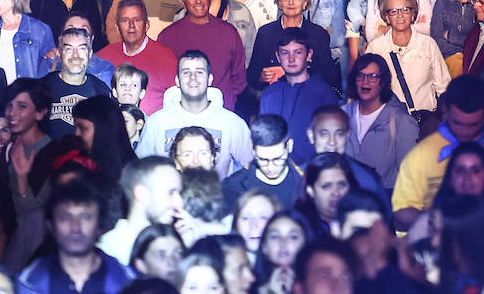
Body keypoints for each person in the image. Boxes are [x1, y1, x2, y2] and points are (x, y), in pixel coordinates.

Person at [391, 76, 484, 230]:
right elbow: (401, 212)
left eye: (473, 125)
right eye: (457, 123)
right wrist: (442, 222)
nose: (465, 132)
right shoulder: (422, 155)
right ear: (445, 110)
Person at [134, 50, 252, 177]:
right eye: (186, 73)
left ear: (210, 79)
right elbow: (141, 170)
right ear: (177, 81)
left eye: (199, 72)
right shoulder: (156, 122)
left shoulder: (232, 123)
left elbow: (251, 168)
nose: (193, 78)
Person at [157, 0, 246, 109]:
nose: (198, 1)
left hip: (220, 110)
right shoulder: (168, 36)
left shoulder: (228, 32)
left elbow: (239, 78)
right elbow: (162, 78)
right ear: (183, 0)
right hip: (182, 112)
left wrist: (227, 99)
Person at [365, 0, 450, 118]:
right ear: (386, 17)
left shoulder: (428, 44)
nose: (400, 15)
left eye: (405, 9)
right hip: (388, 121)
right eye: (393, 11)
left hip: (424, 121)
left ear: (413, 14)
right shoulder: (376, 47)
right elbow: (368, 89)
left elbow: (443, 87)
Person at [341, 54, 421, 192]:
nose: (365, 82)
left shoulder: (401, 121)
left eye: (372, 76)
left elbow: (411, 176)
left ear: (383, 82)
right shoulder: (342, 115)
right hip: (349, 199)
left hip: (385, 200)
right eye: (360, 76)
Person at [258, 28, 338, 165]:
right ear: (278, 56)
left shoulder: (324, 95)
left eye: (298, 52)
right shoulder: (269, 95)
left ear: (309, 55)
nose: (291, 59)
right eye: (285, 53)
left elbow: (331, 145)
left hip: (312, 173)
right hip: (276, 170)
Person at [97, 0, 179, 116]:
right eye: (125, 20)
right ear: (117, 27)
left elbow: (177, 104)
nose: (131, 26)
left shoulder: (167, 58)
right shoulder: (102, 58)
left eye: (137, 20)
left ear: (147, 25)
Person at [42, 28, 111, 138]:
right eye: (69, 49)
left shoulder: (102, 91)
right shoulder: (41, 89)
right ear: (59, 53)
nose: (76, 55)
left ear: (90, 53)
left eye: (82, 48)